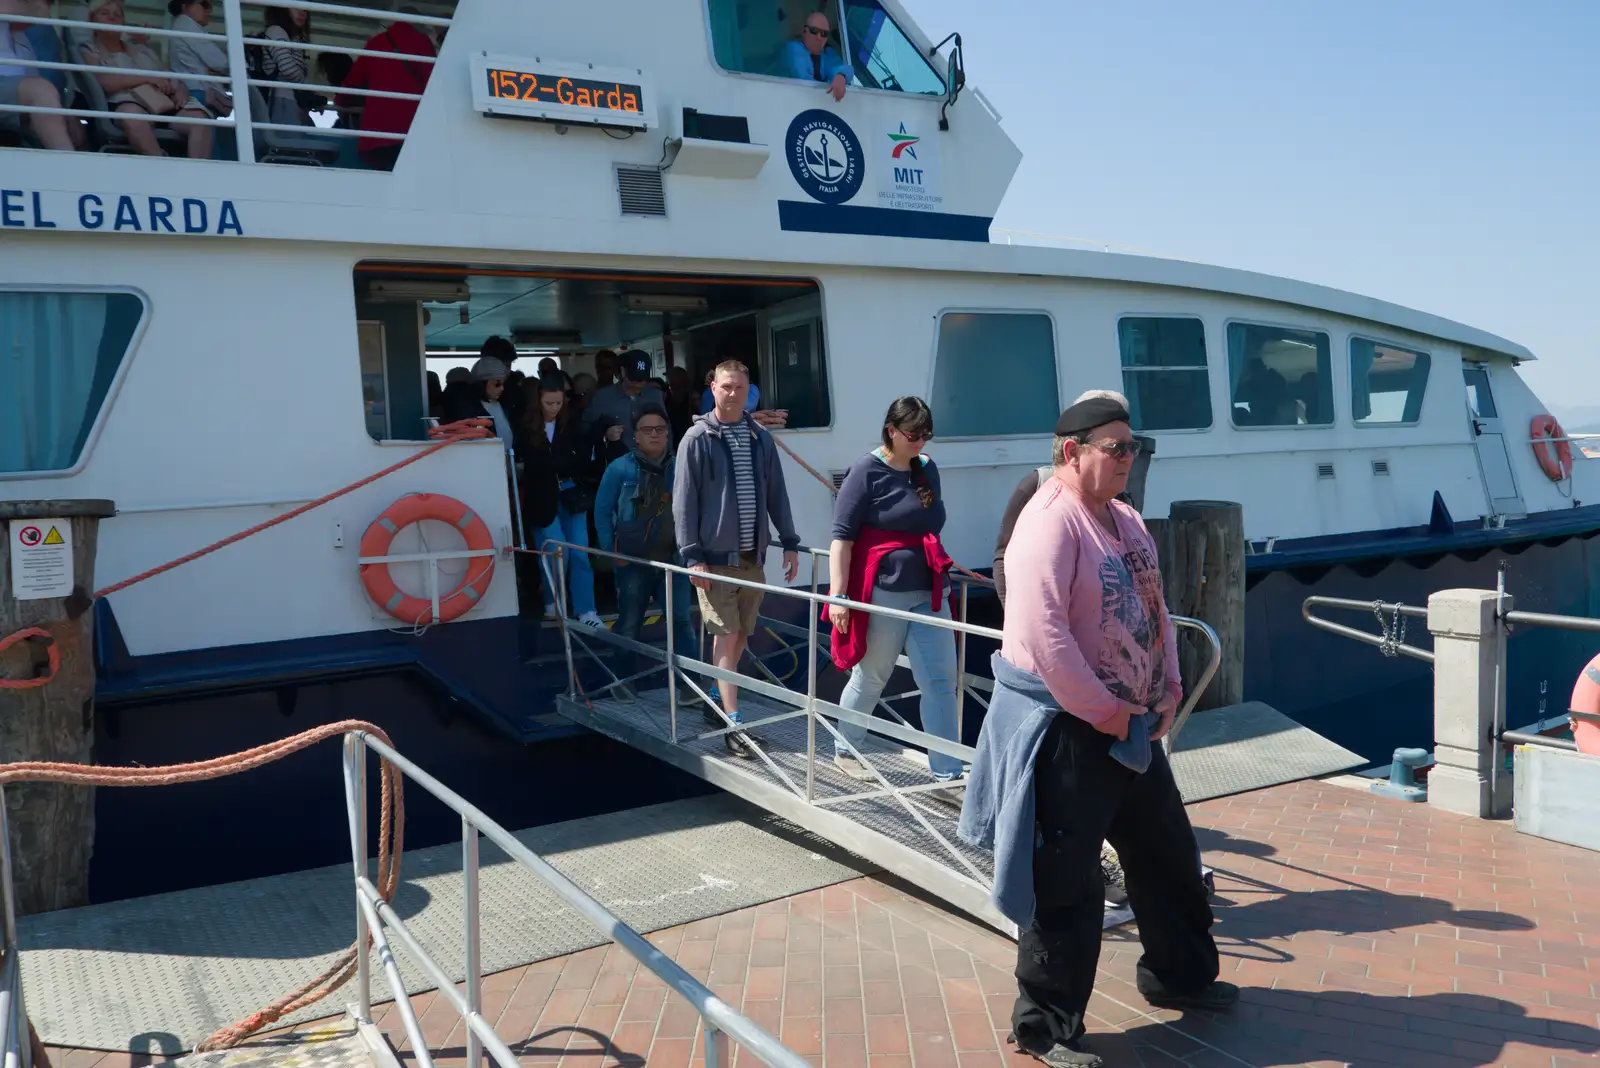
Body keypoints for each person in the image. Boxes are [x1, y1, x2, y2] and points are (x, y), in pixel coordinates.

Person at [958, 394, 1235, 1068]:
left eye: (1132, 447)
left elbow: (1156, 609)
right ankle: (1046, 1027)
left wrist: (1167, 685)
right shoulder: (1047, 524)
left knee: (1168, 855)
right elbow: (1045, 637)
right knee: (1065, 881)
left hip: (1133, 725)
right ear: (1071, 451)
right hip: (1074, 733)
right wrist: (1107, 712)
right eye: (1115, 447)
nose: (1126, 459)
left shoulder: (1128, 519)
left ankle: (1179, 974)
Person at [827, 397, 962, 793]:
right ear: (891, 431)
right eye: (913, 434)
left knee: (941, 680)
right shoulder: (865, 471)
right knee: (872, 677)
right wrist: (838, 597)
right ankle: (846, 748)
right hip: (884, 590)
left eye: (926, 434)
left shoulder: (927, 468)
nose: (920, 441)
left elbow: (932, 520)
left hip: (930, 589)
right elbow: (841, 539)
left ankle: (947, 772)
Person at [674, 360, 801, 757]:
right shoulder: (696, 439)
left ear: (749, 392)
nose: (733, 394)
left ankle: (716, 698)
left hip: (752, 557)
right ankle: (735, 723)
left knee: (742, 634)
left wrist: (791, 542)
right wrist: (693, 556)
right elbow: (684, 501)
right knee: (727, 639)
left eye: (740, 388)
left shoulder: (760, 437)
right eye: (726, 386)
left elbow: (777, 492)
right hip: (714, 560)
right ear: (712, 387)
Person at [595, 406, 697, 702]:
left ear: (668, 434)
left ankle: (689, 688)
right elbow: (602, 512)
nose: (655, 435)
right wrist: (610, 551)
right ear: (635, 436)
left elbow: (694, 510)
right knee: (629, 622)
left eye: (660, 430)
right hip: (632, 560)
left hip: (673, 559)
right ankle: (624, 683)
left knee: (680, 622)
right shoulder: (619, 469)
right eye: (647, 430)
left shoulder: (682, 466)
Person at [520, 376, 602, 627]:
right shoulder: (524, 426)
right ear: (538, 401)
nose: (554, 408)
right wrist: (561, 463)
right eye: (548, 403)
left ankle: (586, 611)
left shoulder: (572, 422)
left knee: (579, 553)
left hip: (571, 496)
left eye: (558, 402)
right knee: (557, 552)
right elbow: (531, 464)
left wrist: (552, 464)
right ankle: (553, 604)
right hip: (542, 499)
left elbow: (583, 459)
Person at [81, 0, 211, 157]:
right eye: (104, 13)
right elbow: (105, 82)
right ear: (91, 19)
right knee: (133, 116)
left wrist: (181, 90)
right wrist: (147, 78)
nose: (112, 17)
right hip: (127, 104)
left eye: (117, 14)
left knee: (200, 119)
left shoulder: (142, 50)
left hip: (161, 105)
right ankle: (161, 167)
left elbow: (172, 77)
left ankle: (195, 176)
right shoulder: (89, 49)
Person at [339, 10, 433, 170]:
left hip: (376, 134)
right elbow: (431, 83)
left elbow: (350, 87)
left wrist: (342, 102)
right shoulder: (422, 42)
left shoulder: (374, 44)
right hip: (411, 129)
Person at [0, 0, 83, 151]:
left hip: (12, 101)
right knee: (40, 91)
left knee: (71, 126)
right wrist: (36, 7)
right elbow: (36, 10)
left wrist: (65, 114)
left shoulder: (22, 41)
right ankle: (68, 164)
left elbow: (38, 85)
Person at [167, 0, 230, 151]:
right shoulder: (186, 25)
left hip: (197, 93)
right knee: (211, 149)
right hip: (198, 94)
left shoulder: (182, 26)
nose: (209, 10)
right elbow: (220, 61)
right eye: (204, 4)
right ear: (185, 5)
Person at [583, 352, 666, 455]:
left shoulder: (655, 396)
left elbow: (666, 430)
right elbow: (585, 429)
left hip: (651, 463)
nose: (641, 382)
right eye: (635, 378)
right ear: (622, 372)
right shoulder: (602, 398)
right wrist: (604, 434)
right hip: (617, 464)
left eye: (644, 378)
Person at [256, 6, 315, 125]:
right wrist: (303, 86)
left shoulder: (292, 37)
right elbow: (288, 70)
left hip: (288, 100)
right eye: (295, 5)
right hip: (282, 100)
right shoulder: (277, 31)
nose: (302, 11)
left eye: (304, 8)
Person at [779, 10, 850, 101]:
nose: (819, 37)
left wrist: (841, 76)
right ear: (804, 32)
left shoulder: (825, 57)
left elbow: (847, 68)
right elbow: (803, 79)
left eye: (824, 34)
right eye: (814, 31)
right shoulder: (792, 48)